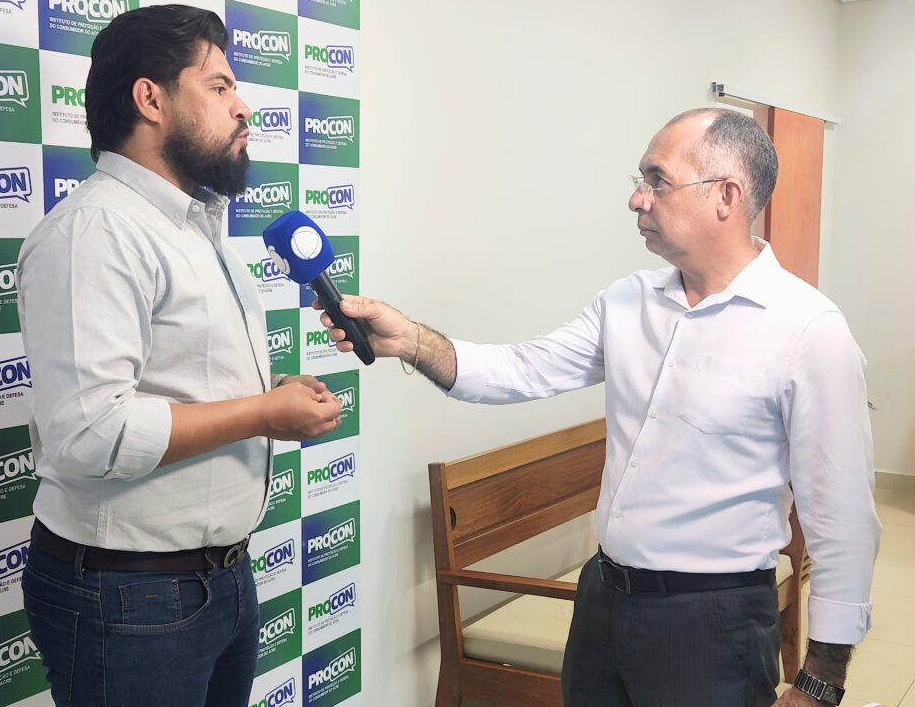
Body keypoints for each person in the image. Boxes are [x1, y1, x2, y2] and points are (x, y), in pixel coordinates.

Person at [319, 109, 880, 706]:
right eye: (640, 181)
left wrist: (821, 681)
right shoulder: (628, 302)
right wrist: (411, 340)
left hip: (711, 624)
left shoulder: (808, 331)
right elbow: (521, 369)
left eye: (657, 180)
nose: (638, 199)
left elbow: (841, 519)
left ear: (727, 196)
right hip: (604, 600)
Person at [16, 5, 343, 707]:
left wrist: (270, 391)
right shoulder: (95, 233)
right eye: (220, 86)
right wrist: (262, 411)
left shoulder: (192, 226)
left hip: (215, 581)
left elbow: (185, 379)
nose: (243, 107)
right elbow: (89, 434)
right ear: (150, 98)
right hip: (128, 596)